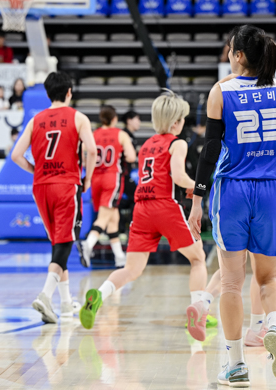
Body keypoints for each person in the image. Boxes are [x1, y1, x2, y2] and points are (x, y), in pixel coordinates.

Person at [187, 25, 276, 385]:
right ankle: (275, 326)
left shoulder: (220, 91)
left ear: (238, 55)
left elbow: (209, 153)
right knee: (269, 278)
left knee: (232, 283)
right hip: (272, 190)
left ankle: (236, 365)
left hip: (233, 191)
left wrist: (197, 200)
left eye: (229, 49)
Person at [79, 90, 212, 333]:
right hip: (164, 206)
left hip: (141, 209)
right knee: (198, 258)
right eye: (182, 119)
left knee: (132, 269)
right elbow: (179, 176)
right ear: (176, 122)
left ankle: (98, 294)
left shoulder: (146, 145)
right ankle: (197, 313)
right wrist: (199, 185)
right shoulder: (178, 143)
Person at [11, 71, 97, 323]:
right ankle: (45, 296)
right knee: (65, 242)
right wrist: (88, 178)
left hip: (41, 186)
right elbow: (92, 150)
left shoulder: (35, 119)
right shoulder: (78, 117)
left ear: (48, 94)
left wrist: (36, 170)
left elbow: (16, 155)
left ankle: (67, 303)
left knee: (59, 242)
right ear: (69, 92)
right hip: (66, 184)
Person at [82, 105, 137, 268]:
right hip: (112, 177)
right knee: (104, 217)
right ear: (114, 119)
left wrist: (86, 164)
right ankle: (88, 244)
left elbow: (82, 151)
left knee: (114, 217)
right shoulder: (120, 134)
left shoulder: (94, 134)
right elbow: (131, 157)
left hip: (96, 178)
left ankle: (119, 257)